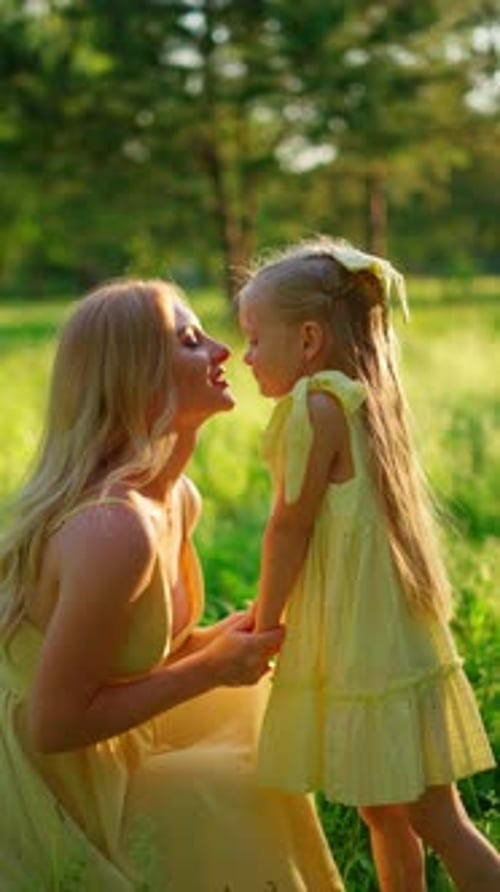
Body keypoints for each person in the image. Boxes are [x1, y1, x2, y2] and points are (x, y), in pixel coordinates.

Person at [0, 278, 345, 891]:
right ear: (137, 376)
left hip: (93, 739)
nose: (222, 351)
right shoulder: (113, 531)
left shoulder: (177, 497)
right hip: (37, 779)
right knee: (226, 782)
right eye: (190, 342)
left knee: (257, 716)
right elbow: (52, 725)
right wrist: (213, 667)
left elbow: (136, 657)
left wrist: (225, 638)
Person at [237, 237, 500, 892]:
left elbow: (288, 528)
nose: (244, 356)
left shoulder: (316, 406)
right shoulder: (365, 398)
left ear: (307, 340)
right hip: (383, 636)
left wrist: (265, 622)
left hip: (368, 646)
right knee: (384, 808)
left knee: (434, 816)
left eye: (252, 339)